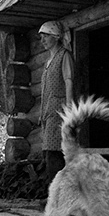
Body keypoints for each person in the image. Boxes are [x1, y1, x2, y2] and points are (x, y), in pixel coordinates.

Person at [38, 20, 75, 186]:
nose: (42, 40)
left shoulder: (64, 56)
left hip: (59, 113)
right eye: (41, 37)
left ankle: (60, 197)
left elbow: (69, 82)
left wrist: (69, 111)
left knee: (57, 155)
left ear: (56, 37)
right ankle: (55, 196)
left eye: (46, 36)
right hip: (48, 114)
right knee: (49, 155)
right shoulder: (47, 62)